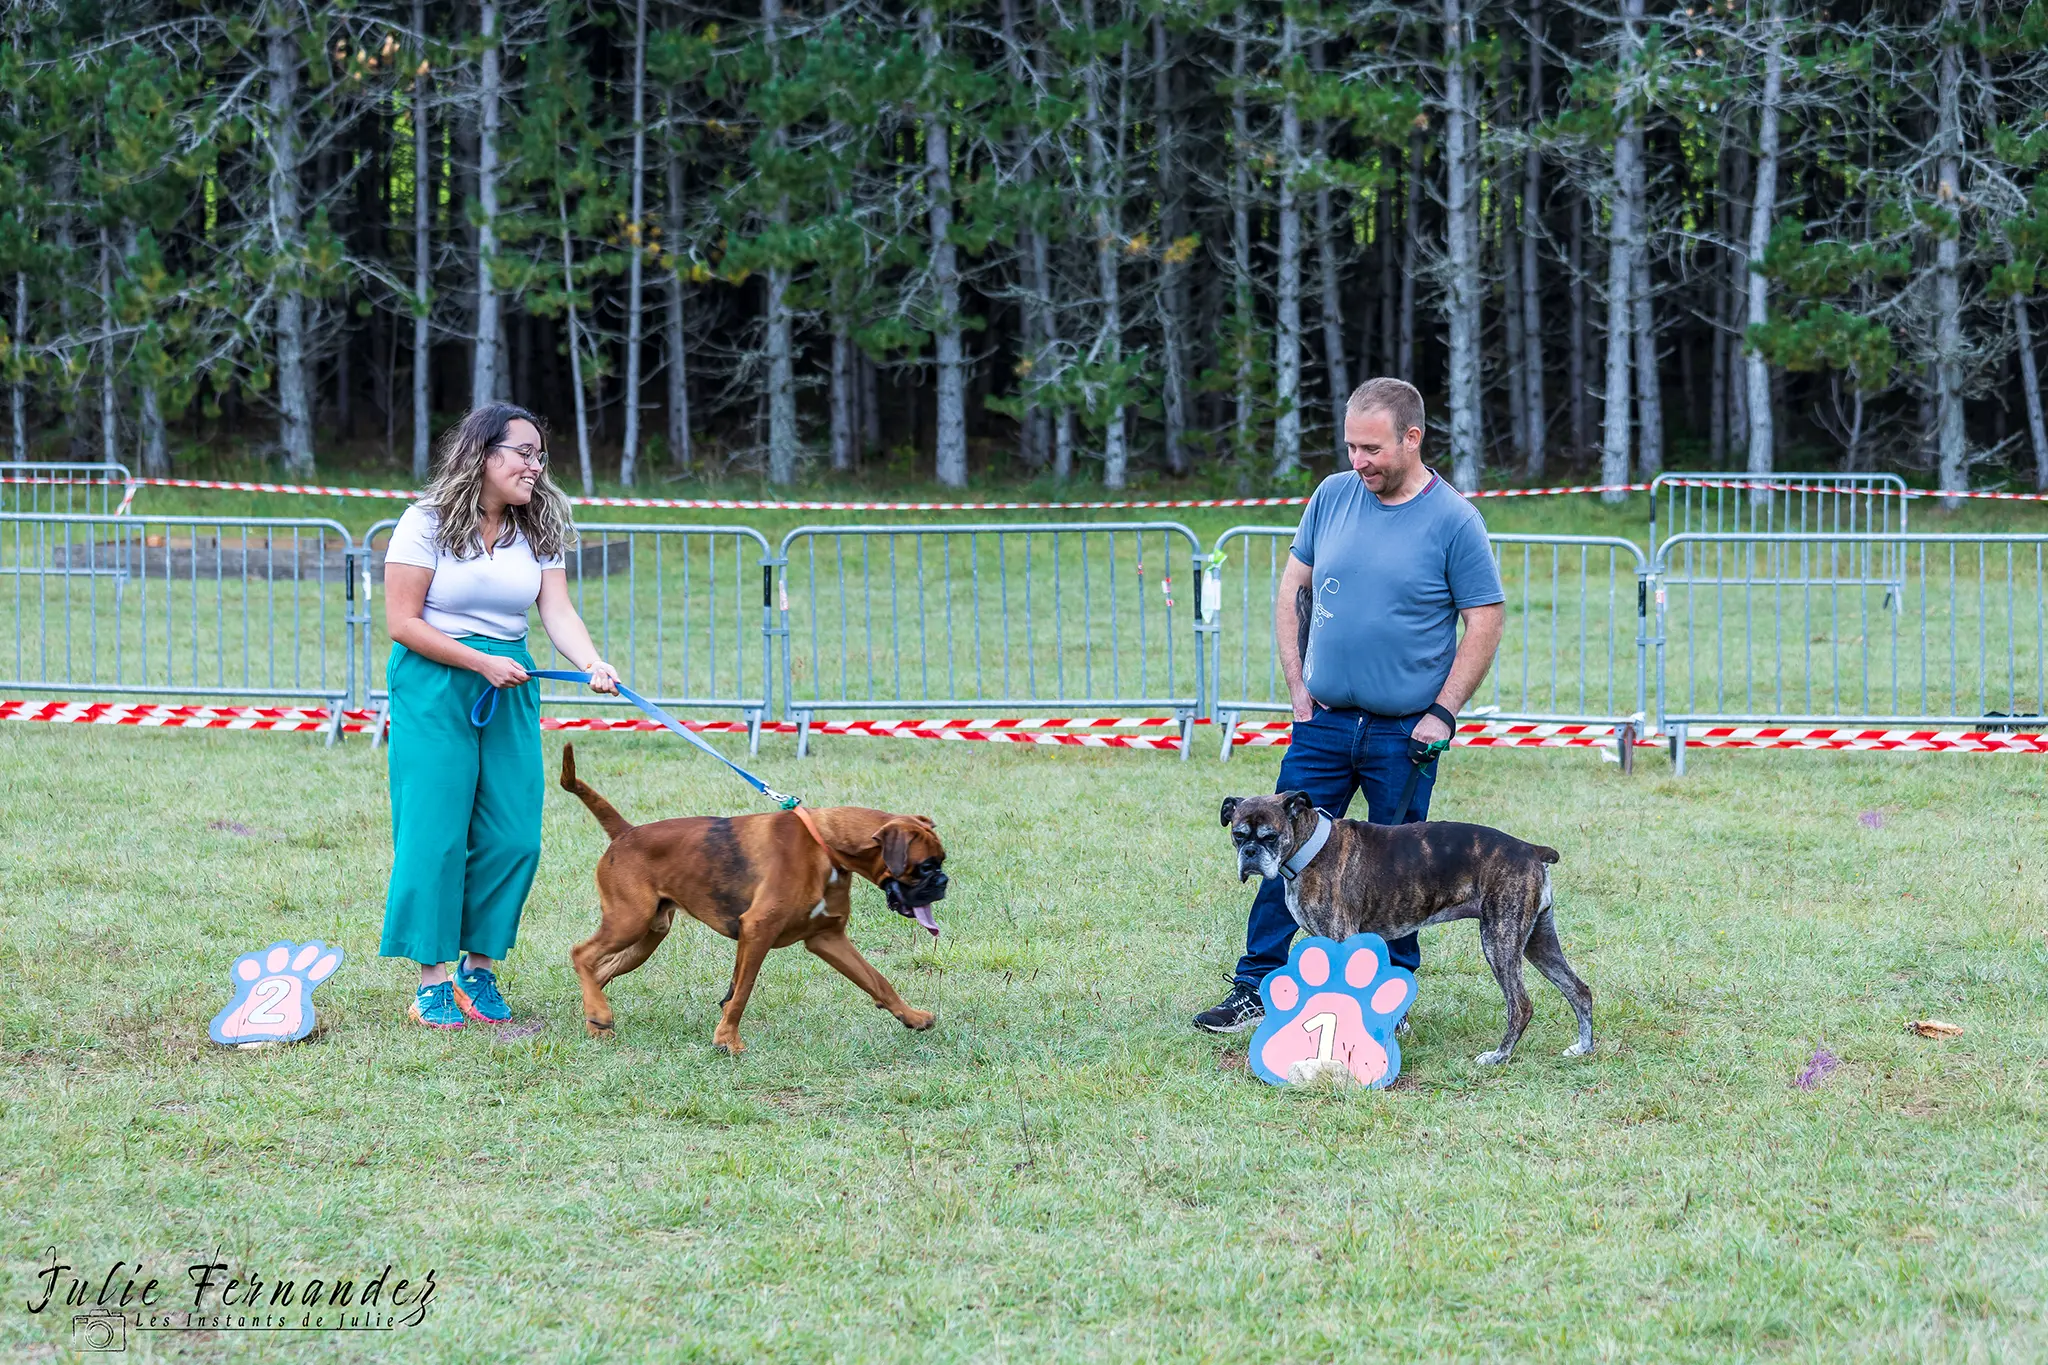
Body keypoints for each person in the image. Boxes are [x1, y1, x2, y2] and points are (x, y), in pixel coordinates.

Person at [1194, 378, 1506, 1034]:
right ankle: (1256, 985)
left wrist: (1443, 712)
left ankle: (1387, 1002)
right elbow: (1292, 588)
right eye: (1349, 446)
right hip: (1324, 724)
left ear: (1412, 437)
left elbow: (1485, 620)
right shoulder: (1332, 496)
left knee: (1402, 871)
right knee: (1282, 853)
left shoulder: (1454, 520)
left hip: (1406, 734)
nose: (1357, 460)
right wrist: (1297, 689)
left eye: (1371, 448)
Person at [380, 403, 621, 1030]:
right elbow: (402, 623)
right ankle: (431, 981)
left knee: (515, 835)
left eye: (541, 456)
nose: (535, 468)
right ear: (484, 453)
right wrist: (477, 661)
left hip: (510, 681)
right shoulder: (425, 522)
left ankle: (477, 970)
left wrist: (594, 662)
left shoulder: (536, 527)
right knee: (434, 833)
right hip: (435, 683)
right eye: (524, 453)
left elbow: (557, 609)